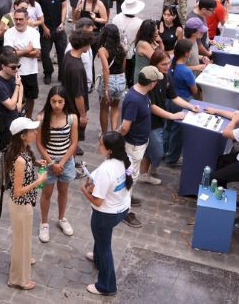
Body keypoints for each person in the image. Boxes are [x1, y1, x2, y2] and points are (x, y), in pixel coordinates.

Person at [81, 131, 132, 296]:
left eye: (101, 143)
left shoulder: (106, 169)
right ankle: (97, 259)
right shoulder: (123, 160)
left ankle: (106, 286)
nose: (98, 145)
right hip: (121, 207)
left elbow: (97, 201)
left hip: (105, 213)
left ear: (110, 150)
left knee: (104, 247)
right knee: (102, 240)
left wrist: (84, 190)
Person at [138, 51, 197, 185]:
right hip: (149, 121)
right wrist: (172, 115)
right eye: (163, 64)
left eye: (168, 63)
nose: (167, 66)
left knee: (152, 149)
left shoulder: (166, 77)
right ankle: (145, 172)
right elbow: (151, 106)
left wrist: (189, 106)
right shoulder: (149, 80)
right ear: (154, 65)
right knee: (157, 152)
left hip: (159, 120)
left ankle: (146, 172)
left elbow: (174, 96)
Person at [5, 117, 47, 290]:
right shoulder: (20, 160)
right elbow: (18, 191)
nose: (35, 132)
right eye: (32, 131)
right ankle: (18, 279)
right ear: (22, 135)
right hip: (20, 204)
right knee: (20, 240)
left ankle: (25, 259)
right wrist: (39, 181)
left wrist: (36, 163)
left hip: (24, 203)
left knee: (23, 237)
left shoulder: (23, 150)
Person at [118, 65, 162, 228]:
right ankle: (124, 210)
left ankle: (127, 197)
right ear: (151, 83)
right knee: (130, 176)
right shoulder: (135, 99)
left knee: (132, 176)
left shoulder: (142, 94)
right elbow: (124, 127)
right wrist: (115, 136)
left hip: (140, 143)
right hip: (134, 145)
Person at [36, 85, 78, 243]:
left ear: (66, 102)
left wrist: (62, 162)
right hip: (48, 161)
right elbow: (39, 144)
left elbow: (73, 143)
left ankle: (61, 218)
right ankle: (44, 223)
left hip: (65, 161)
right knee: (46, 193)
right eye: (53, 101)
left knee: (63, 192)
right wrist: (52, 162)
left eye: (60, 101)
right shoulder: (42, 118)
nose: (57, 105)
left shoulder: (72, 118)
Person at [4, 8, 41, 118]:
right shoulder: (8, 33)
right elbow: (9, 55)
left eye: (21, 19)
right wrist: (27, 50)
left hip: (30, 71)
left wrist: (17, 51)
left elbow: (37, 53)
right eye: (16, 19)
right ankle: (16, 118)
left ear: (27, 19)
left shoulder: (34, 33)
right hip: (14, 72)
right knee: (14, 97)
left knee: (30, 97)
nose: (18, 22)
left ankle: (28, 118)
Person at [36, 0, 69, 84]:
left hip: (59, 27)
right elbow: (38, 13)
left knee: (62, 52)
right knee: (45, 53)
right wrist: (44, 27)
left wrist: (62, 22)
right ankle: (48, 73)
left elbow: (64, 6)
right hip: (45, 29)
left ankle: (62, 74)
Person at [62, 30, 93, 141]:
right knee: (74, 137)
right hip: (74, 108)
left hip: (67, 103)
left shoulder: (67, 55)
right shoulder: (77, 68)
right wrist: (83, 115)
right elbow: (78, 95)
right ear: (84, 45)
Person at [0, 48, 24, 151]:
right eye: (13, 67)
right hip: (3, 123)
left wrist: (19, 102)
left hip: (13, 118)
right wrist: (17, 86)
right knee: (5, 151)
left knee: (15, 148)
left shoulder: (12, 74)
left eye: (18, 66)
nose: (17, 69)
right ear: (3, 67)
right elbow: (11, 105)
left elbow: (21, 85)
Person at [97, 24, 126, 134]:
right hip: (121, 80)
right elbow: (123, 67)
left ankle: (104, 134)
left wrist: (106, 88)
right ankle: (114, 132)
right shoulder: (122, 48)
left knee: (104, 109)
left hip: (110, 80)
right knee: (115, 107)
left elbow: (106, 69)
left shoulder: (103, 50)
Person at [133, 19, 163, 83]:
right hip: (144, 77)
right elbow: (158, 59)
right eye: (155, 29)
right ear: (150, 32)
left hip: (149, 75)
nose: (158, 31)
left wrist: (161, 42)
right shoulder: (144, 44)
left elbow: (162, 54)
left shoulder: (151, 41)